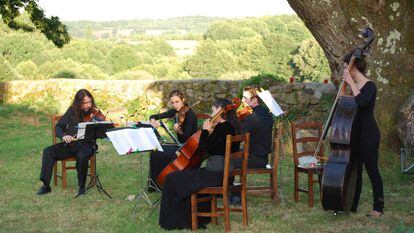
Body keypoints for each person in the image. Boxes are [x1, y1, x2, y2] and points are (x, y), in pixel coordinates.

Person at [159, 98, 241, 230]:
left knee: (171, 178)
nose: (211, 113)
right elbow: (215, 149)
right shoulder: (232, 127)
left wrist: (205, 131)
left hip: (215, 176)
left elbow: (204, 149)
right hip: (226, 174)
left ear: (220, 111)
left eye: (213, 110)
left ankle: (176, 220)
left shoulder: (221, 128)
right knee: (187, 175)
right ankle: (201, 215)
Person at [37, 89, 106, 196]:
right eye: (85, 103)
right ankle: (46, 185)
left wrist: (96, 120)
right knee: (48, 151)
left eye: (90, 102)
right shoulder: (71, 111)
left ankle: (81, 187)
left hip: (87, 145)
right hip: (71, 144)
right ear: (79, 102)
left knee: (82, 156)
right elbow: (59, 127)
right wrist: (64, 136)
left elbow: (102, 126)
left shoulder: (95, 112)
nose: (88, 105)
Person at [342, 51, 384, 217]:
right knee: (354, 170)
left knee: (372, 170)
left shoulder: (370, 86)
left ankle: (378, 208)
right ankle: (351, 205)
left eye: (347, 68)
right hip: (354, 134)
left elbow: (362, 102)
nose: (345, 71)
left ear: (354, 69)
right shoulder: (353, 86)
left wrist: (351, 84)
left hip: (369, 135)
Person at [230, 85, 274, 205]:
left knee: (227, 161)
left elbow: (237, 136)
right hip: (261, 155)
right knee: (232, 155)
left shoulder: (253, 117)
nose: (242, 101)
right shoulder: (265, 113)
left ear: (255, 99)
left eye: (245, 98)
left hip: (256, 158)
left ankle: (234, 194)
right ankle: (231, 191)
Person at [148, 90, 198, 190]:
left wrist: (178, 131)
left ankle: (164, 183)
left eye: (177, 102)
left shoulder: (190, 115)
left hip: (188, 148)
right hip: (180, 145)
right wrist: (153, 120)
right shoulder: (175, 112)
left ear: (183, 100)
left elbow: (187, 138)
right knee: (156, 151)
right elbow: (155, 116)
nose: (175, 105)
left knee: (163, 153)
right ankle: (154, 184)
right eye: (172, 102)